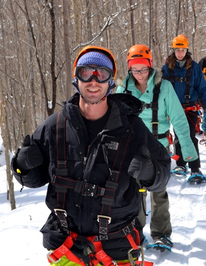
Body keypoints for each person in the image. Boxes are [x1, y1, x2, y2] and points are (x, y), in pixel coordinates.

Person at [11, 45, 171, 266]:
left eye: (101, 74)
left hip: (116, 247)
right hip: (65, 247)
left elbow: (162, 175)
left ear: (111, 81)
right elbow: (32, 178)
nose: (93, 81)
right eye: (85, 73)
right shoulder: (55, 126)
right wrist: (23, 165)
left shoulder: (131, 128)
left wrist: (151, 172)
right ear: (77, 79)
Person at [116, 44, 199, 251]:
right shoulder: (122, 90)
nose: (140, 74)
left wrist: (187, 151)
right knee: (134, 194)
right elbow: (115, 122)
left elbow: (179, 120)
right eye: (135, 69)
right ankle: (136, 232)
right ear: (129, 69)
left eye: (143, 69)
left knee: (159, 193)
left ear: (151, 67)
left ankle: (161, 234)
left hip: (158, 148)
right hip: (132, 150)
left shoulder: (164, 87)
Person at [162, 34, 206, 183]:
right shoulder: (167, 68)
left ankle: (195, 168)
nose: (180, 53)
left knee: (189, 136)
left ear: (187, 50)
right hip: (174, 109)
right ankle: (180, 165)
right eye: (177, 50)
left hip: (190, 108)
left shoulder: (195, 67)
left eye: (183, 50)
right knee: (178, 136)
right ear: (173, 51)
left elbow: (203, 89)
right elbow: (161, 89)